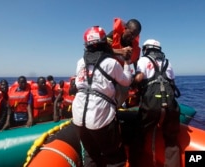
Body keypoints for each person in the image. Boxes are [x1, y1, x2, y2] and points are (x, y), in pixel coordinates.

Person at [72, 26, 132, 166]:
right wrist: (127, 62)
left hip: (78, 117)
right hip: (100, 118)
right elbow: (126, 81)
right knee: (114, 157)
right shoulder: (111, 63)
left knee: (90, 155)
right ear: (105, 41)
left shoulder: (80, 63)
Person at [132, 39, 181, 167]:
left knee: (138, 134)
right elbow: (172, 82)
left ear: (146, 49)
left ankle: (136, 163)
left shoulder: (143, 60)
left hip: (151, 105)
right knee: (171, 141)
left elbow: (138, 78)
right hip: (170, 105)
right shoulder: (168, 63)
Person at [106, 18, 142, 108]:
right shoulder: (112, 35)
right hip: (106, 71)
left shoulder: (134, 46)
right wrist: (120, 52)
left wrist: (137, 78)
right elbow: (100, 50)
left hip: (120, 73)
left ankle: (115, 109)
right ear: (125, 28)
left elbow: (136, 65)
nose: (132, 37)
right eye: (131, 33)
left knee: (125, 91)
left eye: (135, 35)